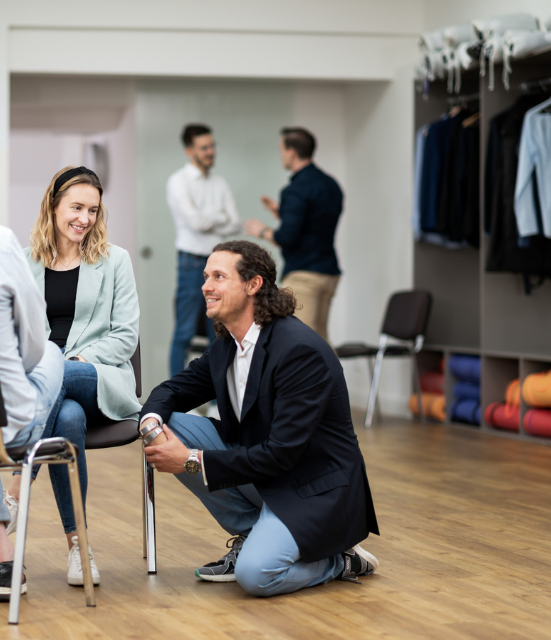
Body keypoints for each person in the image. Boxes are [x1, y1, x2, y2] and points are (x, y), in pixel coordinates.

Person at [139, 240, 379, 597]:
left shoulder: (299, 350)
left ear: (254, 285)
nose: (206, 285)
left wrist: (190, 460)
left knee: (257, 576)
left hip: (311, 486)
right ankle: (254, 535)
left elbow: (281, 454)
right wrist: (149, 425)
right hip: (267, 474)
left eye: (219, 276)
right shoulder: (226, 344)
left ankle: (340, 560)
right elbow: (173, 390)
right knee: (170, 423)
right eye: (206, 276)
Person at [3, 166, 141, 587]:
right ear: (53, 206)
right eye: (76, 207)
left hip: (99, 378)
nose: (85, 218)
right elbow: (12, 332)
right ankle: (78, 548)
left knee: (58, 368)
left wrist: (71, 358)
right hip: (53, 394)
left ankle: (12, 492)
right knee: (67, 421)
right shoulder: (25, 262)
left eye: (93, 210)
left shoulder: (115, 261)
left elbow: (125, 336)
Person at [0, 225, 64, 598]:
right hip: (10, 428)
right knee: (53, 354)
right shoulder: (2, 242)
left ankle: (2, 556)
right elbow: (34, 339)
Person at [245, 127, 343, 343]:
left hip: (304, 275)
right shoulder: (331, 184)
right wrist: (283, 212)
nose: (281, 155)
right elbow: (315, 222)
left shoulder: (295, 190)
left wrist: (263, 231)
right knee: (320, 341)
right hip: (329, 273)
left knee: (301, 343)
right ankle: (334, 378)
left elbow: (287, 237)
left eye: (281, 150)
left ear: (291, 152)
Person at [167, 123, 241, 377]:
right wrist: (219, 216)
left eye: (212, 146)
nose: (211, 152)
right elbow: (196, 223)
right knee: (184, 334)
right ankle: (176, 398)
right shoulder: (178, 182)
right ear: (190, 151)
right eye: (204, 148)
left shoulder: (220, 183)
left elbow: (235, 223)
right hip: (191, 264)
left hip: (221, 265)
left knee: (218, 333)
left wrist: (211, 218)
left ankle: (215, 401)